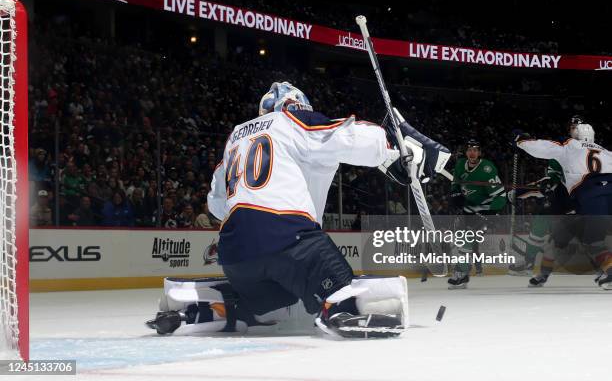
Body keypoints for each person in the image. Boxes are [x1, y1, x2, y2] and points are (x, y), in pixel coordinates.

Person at [146, 81, 450, 338]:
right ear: (296, 108)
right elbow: (346, 135)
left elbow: (216, 203)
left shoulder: (236, 136)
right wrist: (398, 150)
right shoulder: (291, 122)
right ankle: (342, 308)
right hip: (288, 239)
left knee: (281, 299)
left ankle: (213, 305)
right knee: (344, 287)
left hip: (235, 255)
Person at [515, 123, 612, 289]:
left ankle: (543, 275)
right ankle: (607, 273)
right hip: (606, 196)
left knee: (561, 242)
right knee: (593, 241)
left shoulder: (571, 147)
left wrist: (522, 141)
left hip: (589, 199)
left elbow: (544, 148)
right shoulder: (607, 152)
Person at [448, 139, 507, 289]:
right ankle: (464, 274)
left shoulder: (487, 169)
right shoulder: (461, 164)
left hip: (484, 210)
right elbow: (455, 182)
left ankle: (461, 273)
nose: (472, 152)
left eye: (475, 149)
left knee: (467, 239)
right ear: (466, 152)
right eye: (469, 149)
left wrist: (493, 213)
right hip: (468, 209)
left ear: (479, 153)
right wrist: (455, 195)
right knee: (463, 240)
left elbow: (500, 195)